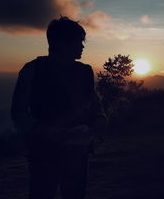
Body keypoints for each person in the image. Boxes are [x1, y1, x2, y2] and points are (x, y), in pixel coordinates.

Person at [11, 17, 106, 199]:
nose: (82, 47)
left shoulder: (85, 71)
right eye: (79, 41)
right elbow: (19, 113)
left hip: (78, 152)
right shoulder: (32, 70)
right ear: (62, 43)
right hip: (44, 153)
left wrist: (100, 117)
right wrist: (47, 131)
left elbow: (94, 102)